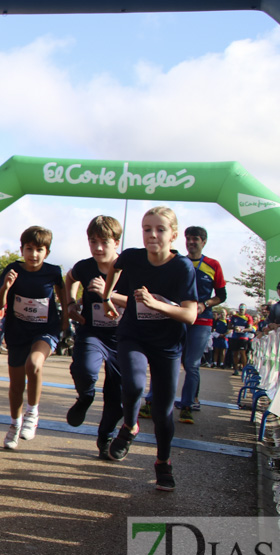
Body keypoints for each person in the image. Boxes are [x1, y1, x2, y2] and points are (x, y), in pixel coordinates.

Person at [102, 206, 198, 492]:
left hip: (167, 344)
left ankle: (163, 461)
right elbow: (114, 267)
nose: (152, 235)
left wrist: (156, 305)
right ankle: (130, 426)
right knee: (132, 384)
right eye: (147, 229)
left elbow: (190, 315)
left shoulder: (182, 267)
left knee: (162, 412)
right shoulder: (132, 256)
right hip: (134, 334)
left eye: (159, 229)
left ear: (174, 235)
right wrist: (107, 295)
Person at [0, 226, 67, 450]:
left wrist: (65, 324)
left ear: (47, 252)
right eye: (29, 249)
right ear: (21, 249)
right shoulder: (12, 269)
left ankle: (33, 413)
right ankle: (14, 425)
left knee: (34, 363)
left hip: (44, 330)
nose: (33, 254)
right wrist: (6, 287)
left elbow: (63, 298)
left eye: (39, 250)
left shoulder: (54, 272)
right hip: (18, 331)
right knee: (16, 385)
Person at [63, 216, 126, 458]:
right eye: (93, 242)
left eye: (104, 242)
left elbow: (143, 303)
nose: (98, 248)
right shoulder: (85, 266)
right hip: (92, 332)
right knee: (84, 368)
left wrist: (108, 294)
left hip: (123, 338)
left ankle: (106, 436)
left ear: (116, 242)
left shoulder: (129, 268)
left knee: (117, 396)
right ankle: (85, 397)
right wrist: (69, 303)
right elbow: (69, 278)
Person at [173, 226, 226, 425]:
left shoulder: (213, 264)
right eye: (188, 238)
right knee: (166, 358)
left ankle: (187, 406)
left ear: (203, 242)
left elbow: (222, 295)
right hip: (178, 317)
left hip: (202, 321)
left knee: (192, 364)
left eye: (195, 239)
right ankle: (153, 401)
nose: (191, 242)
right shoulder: (178, 261)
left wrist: (205, 304)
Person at [229, 303, 254, 376]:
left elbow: (250, 328)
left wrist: (242, 330)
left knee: (243, 353)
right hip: (235, 337)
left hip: (243, 337)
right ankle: (236, 369)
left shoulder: (248, 317)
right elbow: (229, 326)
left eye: (243, 309)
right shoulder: (234, 317)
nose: (241, 310)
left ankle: (244, 369)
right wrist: (235, 328)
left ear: (245, 309)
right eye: (240, 309)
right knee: (235, 353)